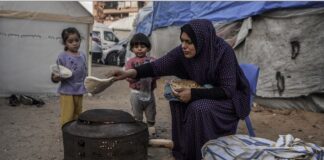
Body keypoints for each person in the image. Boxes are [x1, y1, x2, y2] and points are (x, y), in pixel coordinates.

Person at [105, 19, 251, 160]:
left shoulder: (223, 53)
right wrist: (129, 73)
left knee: (198, 107)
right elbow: (157, 66)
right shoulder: (183, 52)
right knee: (176, 99)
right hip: (206, 91)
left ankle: (202, 154)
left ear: (202, 40)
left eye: (189, 42)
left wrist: (193, 94)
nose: (183, 46)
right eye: (182, 41)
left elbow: (227, 90)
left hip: (229, 99)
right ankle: (184, 151)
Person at [51, 27, 87, 127]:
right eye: (70, 41)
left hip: (79, 90)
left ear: (80, 40)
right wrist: (56, 77)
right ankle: (66, 132)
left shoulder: (83, 55)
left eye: (77, 40)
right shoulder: (62, 56)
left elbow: (84, 71)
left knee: (78, 113)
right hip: (67, 92)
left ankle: (75, 133)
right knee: (67, 115)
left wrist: (88, 83)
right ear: (65, 43)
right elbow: (55, 74)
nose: (74, 43)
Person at [125, 33, 158, 134]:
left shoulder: (152, 61)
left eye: (142, 46)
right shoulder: (130, 62)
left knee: (151, 113)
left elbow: (159, 73)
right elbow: (127, 76)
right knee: (137, 115)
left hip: (149, 93)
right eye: (136, 46)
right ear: (132, 49)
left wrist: (151, 77)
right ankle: (138, 133)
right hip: (136, 93)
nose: (139, 49)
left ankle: (151, 131)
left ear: (148, 48)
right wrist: (135, 78)